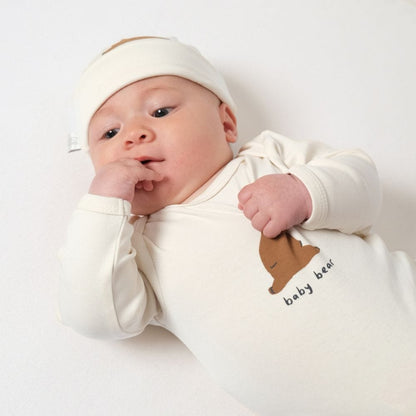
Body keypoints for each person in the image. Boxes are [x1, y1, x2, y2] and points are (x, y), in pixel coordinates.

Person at [59, 36, 416, 415]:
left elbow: (362, 183)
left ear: (226, 123)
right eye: (110, 133)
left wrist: (303, 191)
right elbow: (94, 316)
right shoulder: (137, 249)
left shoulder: (267, 157)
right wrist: (101, 210)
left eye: (160, 111)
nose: (134, 134)